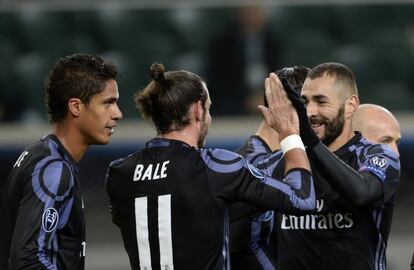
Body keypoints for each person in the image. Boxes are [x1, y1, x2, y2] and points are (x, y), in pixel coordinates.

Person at [106, 63, 315, 270]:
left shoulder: (119, 172)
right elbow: (302, 198)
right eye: (208, 108)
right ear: (198, 109)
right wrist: (289, 134)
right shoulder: (215, 166)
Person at [273, 62, 400, 270]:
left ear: (350, 106)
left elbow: (362, 193)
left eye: (321, 102)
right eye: (304, 102)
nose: (310, 112)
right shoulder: (285, 161)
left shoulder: (378, 156)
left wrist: (309, 142)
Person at [0, 54, 122, 270]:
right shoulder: (53, 169)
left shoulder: (43, 156)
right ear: (76, 107)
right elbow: (28, 261)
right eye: (108, 103)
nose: (118, 114)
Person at [230, 66, 310, 270]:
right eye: (313, 104)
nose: (317, 115)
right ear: (285, 107)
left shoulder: (286, 157)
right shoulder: (247, 167)